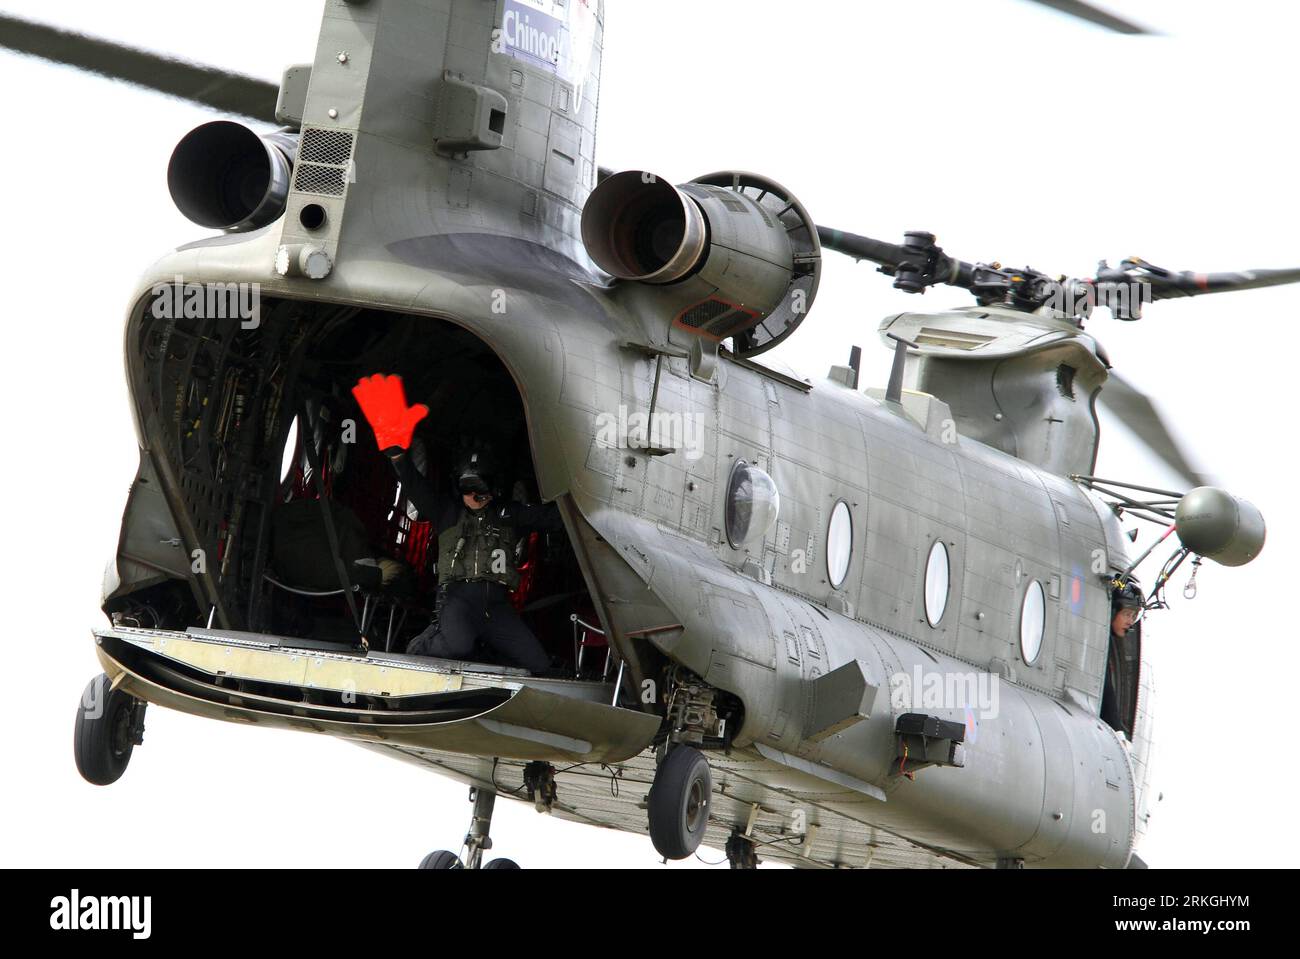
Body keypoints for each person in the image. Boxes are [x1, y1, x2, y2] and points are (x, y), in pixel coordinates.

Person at [352, 373, 561, 672]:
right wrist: (397, 455)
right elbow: (414, 484)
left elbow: (553, 518)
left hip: (497, 608)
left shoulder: (511, 514)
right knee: (457, 645)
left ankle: (487, 663)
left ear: (494, 488)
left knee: (538, 664)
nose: (474, 496)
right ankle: (418, 648)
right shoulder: (446, 512)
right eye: (467, 489)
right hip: (457, 601)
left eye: (481, 488)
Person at [1101, 578, 1143, 737]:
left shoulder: (1107, 642)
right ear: (1112, 611)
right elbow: (1105, 688)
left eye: (1134, 616)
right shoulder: (1100, 642)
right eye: (1127, 614)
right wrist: (1117, 730)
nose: (1130, 622)